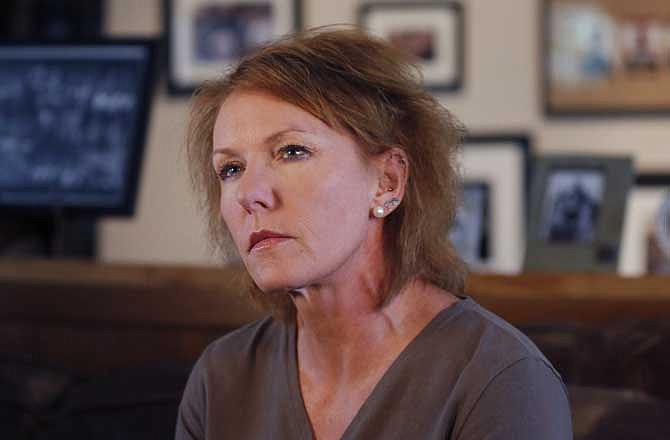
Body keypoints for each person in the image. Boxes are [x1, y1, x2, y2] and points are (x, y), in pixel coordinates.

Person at [176, 27, 572, 439]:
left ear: (387, 181)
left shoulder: (502, 380)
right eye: (231, 169)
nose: (250, 194)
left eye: (292, 151)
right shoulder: (219, 378)